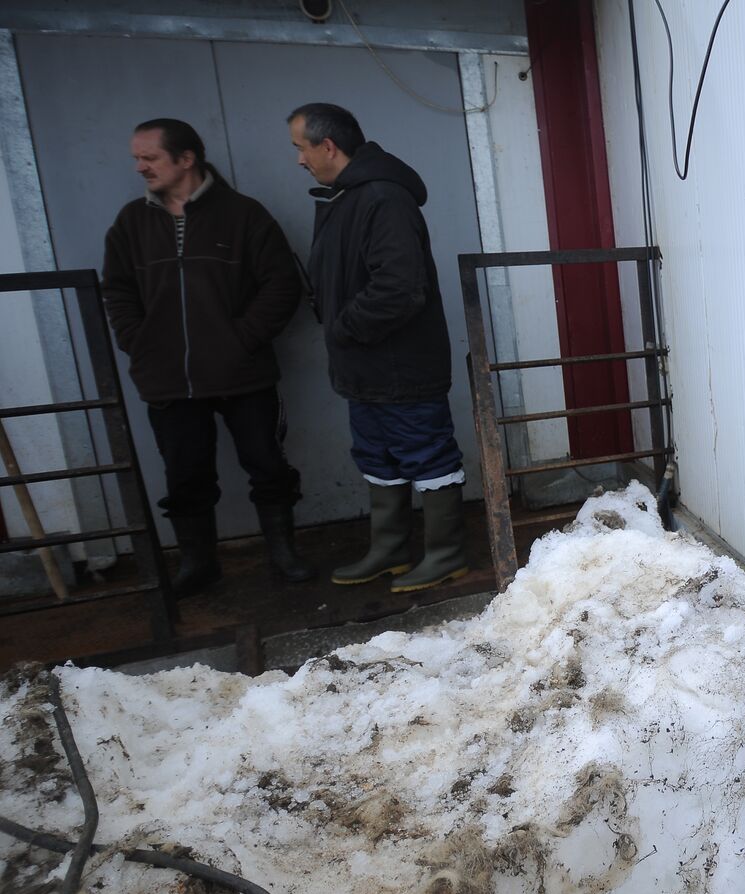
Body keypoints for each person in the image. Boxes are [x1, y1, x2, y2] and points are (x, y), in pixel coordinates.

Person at [102, 118, 313, 597]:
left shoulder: (243, 216)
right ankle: (199, 564)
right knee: (185, 474)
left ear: (186, 159)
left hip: (243, 374)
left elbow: (282, 284)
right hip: (168, 378)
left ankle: (283, 554)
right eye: (138, 158)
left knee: (268, 465)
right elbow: (115, 289)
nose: (140, 167)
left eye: (149, 158)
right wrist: (139, 340)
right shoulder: (132, 223)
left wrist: (242, 339)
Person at [287, 103, 469, 593]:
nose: (299, 160)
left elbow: (400, 287)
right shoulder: (345, 197)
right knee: (377, 456)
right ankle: (389, 551)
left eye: (300, 149)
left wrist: (343, 328)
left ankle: (446, 554)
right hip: (363, 367)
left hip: (400, 365)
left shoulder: (383, 199)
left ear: (328, 146)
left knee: (426, 454)